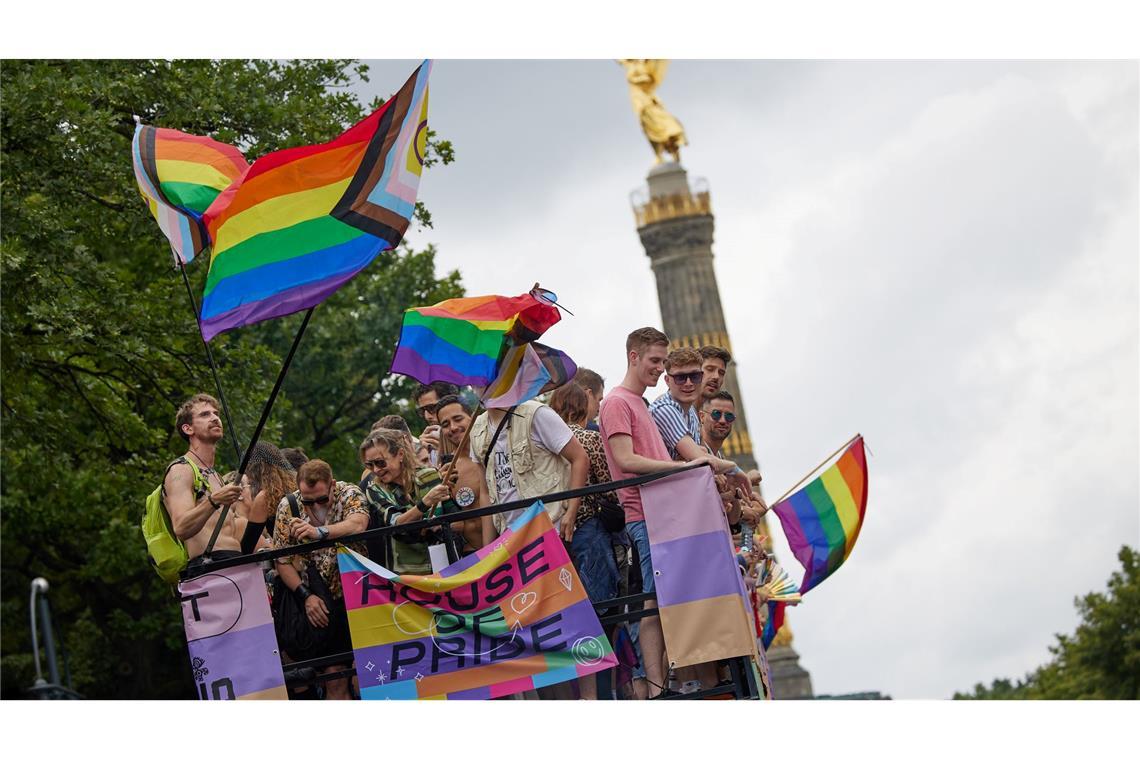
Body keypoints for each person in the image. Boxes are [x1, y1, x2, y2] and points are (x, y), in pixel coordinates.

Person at [597, 328, 726, 698]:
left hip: (662, 511)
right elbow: (624, 460)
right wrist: (683, 468)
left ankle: (665, 681)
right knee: (658, 601)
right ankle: (656, 687)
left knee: (664, 598)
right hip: (645, 513)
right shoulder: (618, 402)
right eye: (655, 361)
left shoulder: (638, 403)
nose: (659, 368)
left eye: (662, 362)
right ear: (633, 356)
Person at [270, 459, 369, 700]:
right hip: (319, 602)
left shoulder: (348, 493)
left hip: (357, 594)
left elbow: (359, 523)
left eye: (321, 499)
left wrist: (320, 532)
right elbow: (282, 561)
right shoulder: (289, 506)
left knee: (365, 677)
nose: (315, 505)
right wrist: (305, 596)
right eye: (308, 500)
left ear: (332, 485)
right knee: (334, 678)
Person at [549, 382, 621, 699]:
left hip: (555, 534)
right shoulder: (590, 439)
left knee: (570, 616)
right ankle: (603, 692)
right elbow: (609, 487)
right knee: (602, 612)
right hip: (589, 530)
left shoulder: (547, 445)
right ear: (582, 407)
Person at [163, 394, 267, 567]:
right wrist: (215, 499)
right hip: (209, 568)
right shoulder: (181, 470)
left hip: (234, 562)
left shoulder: (215, 475)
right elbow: (181, 528)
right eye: (205, 415)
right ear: (188, 429)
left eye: (216, 413)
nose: (214, 418)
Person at [468, 398, 589, 543]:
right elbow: (486, 491)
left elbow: (580, 458)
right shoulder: (477, 429)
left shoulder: (535, 413)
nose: (484, 385)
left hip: (551, 528)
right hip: (511, 541)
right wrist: (488, 549)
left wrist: (571, 513)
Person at [358, 428, 454, 573]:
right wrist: (425, 503)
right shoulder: (374, 489)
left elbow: (459, 523)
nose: (376, 470)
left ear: (400, 455)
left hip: (444, 565)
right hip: (407, 574)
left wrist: (441, 526)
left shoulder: (431, 475)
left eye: (380, 462)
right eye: (369, 465)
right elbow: (396, 523)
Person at [434, 394, 492, 554]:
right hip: (474, 554)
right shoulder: (448, 469)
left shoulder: (492, 450)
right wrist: (442, 491)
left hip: (509, 544)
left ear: (473, 417)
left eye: (458, 419)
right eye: (445, 424)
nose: (452, 427)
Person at [701, 391, 768, 527]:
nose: (723, 420)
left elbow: (732, 520)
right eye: (716, 414)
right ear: (701, 416)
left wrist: (737, 492)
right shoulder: (695, 453)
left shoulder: (722, 460)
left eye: (729, 416)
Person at [414, 381, 458, 466]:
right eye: (422, 411)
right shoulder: (431, 444)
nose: (427, 416)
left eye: (431, 408)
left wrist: (446, 449)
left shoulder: (472, 433)